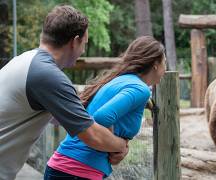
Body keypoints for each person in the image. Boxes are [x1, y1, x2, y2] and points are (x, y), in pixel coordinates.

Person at [0, 5, 128, 180]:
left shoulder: (24, 61)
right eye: (85, 43)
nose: (83, 50)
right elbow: (91, 135)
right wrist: (121, 145)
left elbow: (61, 118)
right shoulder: (47, 76)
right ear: (75, 42)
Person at [44, 36, 167, 180]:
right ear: (155, 64)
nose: (166, 69)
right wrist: (115, 146)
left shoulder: (121, 80)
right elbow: (102, 117)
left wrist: (118, 147)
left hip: (66, 168)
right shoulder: (140, 89)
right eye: (165, 62)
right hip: (77, 171)